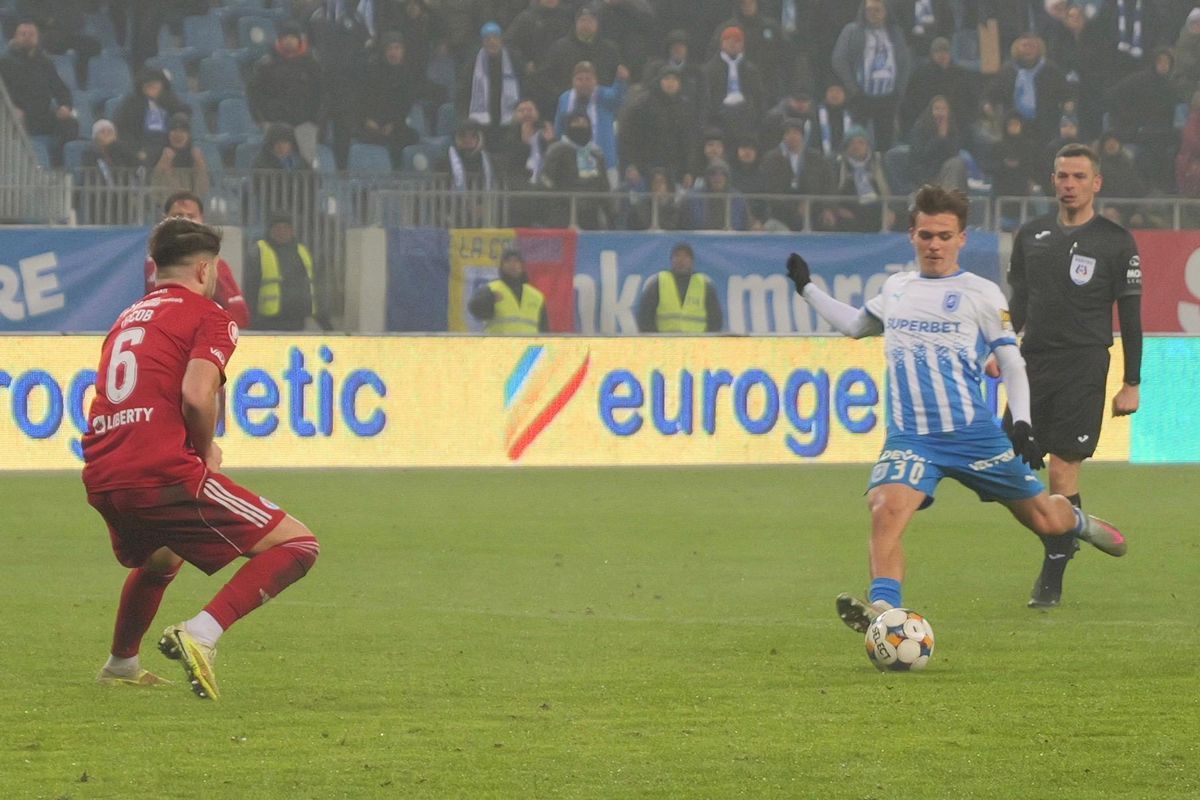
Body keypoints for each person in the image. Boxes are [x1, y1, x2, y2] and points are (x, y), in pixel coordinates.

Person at [783, 184, 1127, 632]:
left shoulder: (981, 294)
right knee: (885, 508)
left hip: (973, 435)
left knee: (1046, 519)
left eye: (945, 236)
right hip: (912, 438)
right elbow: (854, 325)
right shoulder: (897, 289)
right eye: (926, 235)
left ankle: (1076, 520)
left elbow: (1011, 362)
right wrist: (807, 287)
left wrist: (1022, 423)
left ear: (961, 238)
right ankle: (885, 611)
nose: (935, 245)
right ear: (912, 235)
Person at [84, 216, 319, 700]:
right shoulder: (208, 315)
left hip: (104, 472)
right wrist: (204, 448)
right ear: (205, 269)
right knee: (298, 545)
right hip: (160, 471)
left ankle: (121, 663)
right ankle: (201, 633)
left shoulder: (126, 319)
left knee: (163, 556)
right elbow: (197, 393)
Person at [1007, 144, 1143, 608]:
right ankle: (1075, 526)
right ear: (1053, 180)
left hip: (1083, 365)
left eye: (1079, 177)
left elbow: (1130, 316)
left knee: (1063, 469)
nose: (1069, 185)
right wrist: (1001, 346)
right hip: (1031, 365)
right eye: (1062, 176)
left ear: (1096, 183)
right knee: (1007, 469)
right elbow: (1019, 301)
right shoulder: (1031, 235)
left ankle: (1052, 578)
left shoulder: (1115, 241)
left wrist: (1131, 381)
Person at [144, 191, 250, 329]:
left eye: (191, 216)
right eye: (177, 216)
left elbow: (239, 315)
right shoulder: (149, 263)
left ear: (201, 219)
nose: (184, 221)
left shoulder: (214, 265)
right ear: (164, 219)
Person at [0, 19, 80, 162]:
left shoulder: (45, 62)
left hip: (41, 115)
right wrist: (11, 109)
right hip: (14, 117)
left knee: (71, 124)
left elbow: (61, 89)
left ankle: (57, 165)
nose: (27, 37)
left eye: (31, 34)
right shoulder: (4, 62)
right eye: (23, 34)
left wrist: (65, 106)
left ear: (37, 38)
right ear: (15, 37)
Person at [244, 211, 319, 331]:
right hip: (267, 321)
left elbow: (314, 284)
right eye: (278, 228)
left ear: (292, 231)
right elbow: (250, 287)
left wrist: (323, 319)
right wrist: (252, 319)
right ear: (270, 230)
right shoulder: (259, 251)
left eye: (286, 228)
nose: (282, 232)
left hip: (297, 319)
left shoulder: (302, 251)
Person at [635, 242, 723, 333]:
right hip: (665, 340)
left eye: (686, 257)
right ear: (671, 260)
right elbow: (645, 317)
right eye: (677, 256)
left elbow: (715, 320)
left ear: (692, 261)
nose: (681, 260)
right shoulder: (658, 282)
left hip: (697, 341)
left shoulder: (704, 284)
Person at [468, 247, 549, 334]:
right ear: (502, 265)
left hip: (528, 343)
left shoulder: (537, 296)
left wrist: (544, 343)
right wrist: (489, 299)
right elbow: (475, 309)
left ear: (522, 265)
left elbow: (544, 332)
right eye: (508, 261)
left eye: (516, 261)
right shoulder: (490, 289)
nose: (512, 264)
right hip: (500, 343)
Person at [150, 113, 210, 198]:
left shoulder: (194, 156)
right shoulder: (159, 155)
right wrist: (164, 164)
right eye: (174, 130)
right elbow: (154, 192)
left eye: (183, 130)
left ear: (189, 135)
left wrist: (200, 163)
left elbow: (203, 190)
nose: (178, 134)